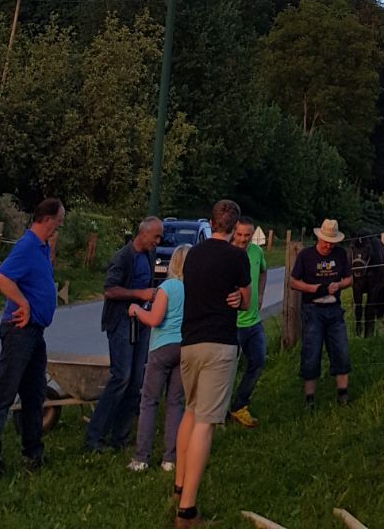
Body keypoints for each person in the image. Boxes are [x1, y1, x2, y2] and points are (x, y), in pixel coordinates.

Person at [175, 198, 252, 528]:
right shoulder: (237, 257)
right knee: (206, 423)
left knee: (190, 412)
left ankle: (179, 484)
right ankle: (187, 511)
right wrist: (238, 298)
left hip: (189, 343)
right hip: (219, 344)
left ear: (210, 223)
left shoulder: (193, 255)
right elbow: (246, 301)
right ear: (235, 228)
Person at [0, 197, 65, 477]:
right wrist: (23, 303)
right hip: (19, 331)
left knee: (34, 393)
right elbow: (2, 277)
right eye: (59, 220)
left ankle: (33, 452)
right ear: (47, 219)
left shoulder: (42, 248)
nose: (60, 225)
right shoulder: (27, 246)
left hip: (36, 332)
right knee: (4, 391)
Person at [84, 216, 163, 453]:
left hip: (141, 322)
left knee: (136, 380)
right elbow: (110, 290)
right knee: (121, 377)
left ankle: (120, 436)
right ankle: (94, 437)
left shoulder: (149, 255)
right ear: (143, 233)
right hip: (121, 322)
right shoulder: (123, 256)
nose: (158, 241)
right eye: (156, 236)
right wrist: (140, 294)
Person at [127, 242, 190, 473]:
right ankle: (170, 459)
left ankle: (141, 457)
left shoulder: (167, 287)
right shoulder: (194, 289)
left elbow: (154, 319)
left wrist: (136, 310)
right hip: (185, 348)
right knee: (175, 402)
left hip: (162, 347)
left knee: (149, 401)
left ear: (174, 263)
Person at [290, 217, 353, 411]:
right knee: (311, 351)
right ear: (319, 238)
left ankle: (343, 394)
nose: (328, 245)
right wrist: (313, 288)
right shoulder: (306, 255)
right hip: (313, 309)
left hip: (334, 308)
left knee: (340, 350)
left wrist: (339, 285)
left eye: (332, 242)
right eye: (326, 241)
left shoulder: (341, 254)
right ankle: (309, 398)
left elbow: (349, 279)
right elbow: (293, 282)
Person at [228, 216, 268, 428]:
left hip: (253, 322)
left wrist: (260, 294)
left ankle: (239, 405)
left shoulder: (256, 252)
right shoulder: (226, 253)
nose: (243, 239)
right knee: (227, 369)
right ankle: (219, 411)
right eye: (240, 234)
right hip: (231, 324)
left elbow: (263, 271)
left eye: (248, 235)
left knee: (258, 361)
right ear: (233, 233)